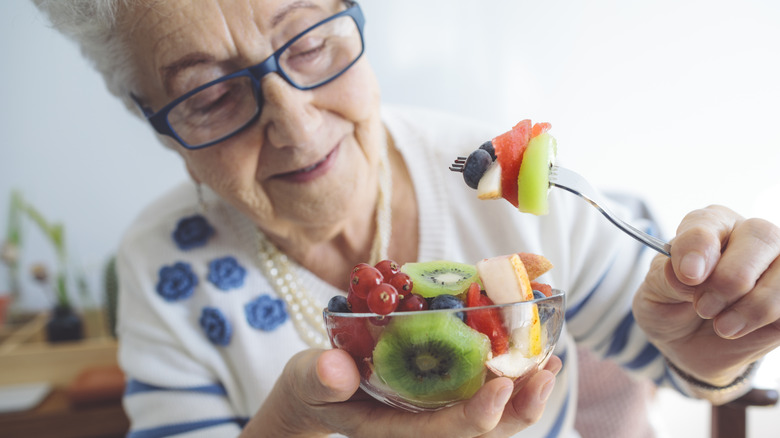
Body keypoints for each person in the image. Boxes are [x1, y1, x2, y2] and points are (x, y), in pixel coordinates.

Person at [32, 1, 780, 437]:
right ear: (161, 128)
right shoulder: (162, 270)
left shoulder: (500, 179)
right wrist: (291, 421)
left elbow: (683, 359)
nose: (296, 124)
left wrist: (714, 340)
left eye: (312, 42)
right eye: (209, 94)